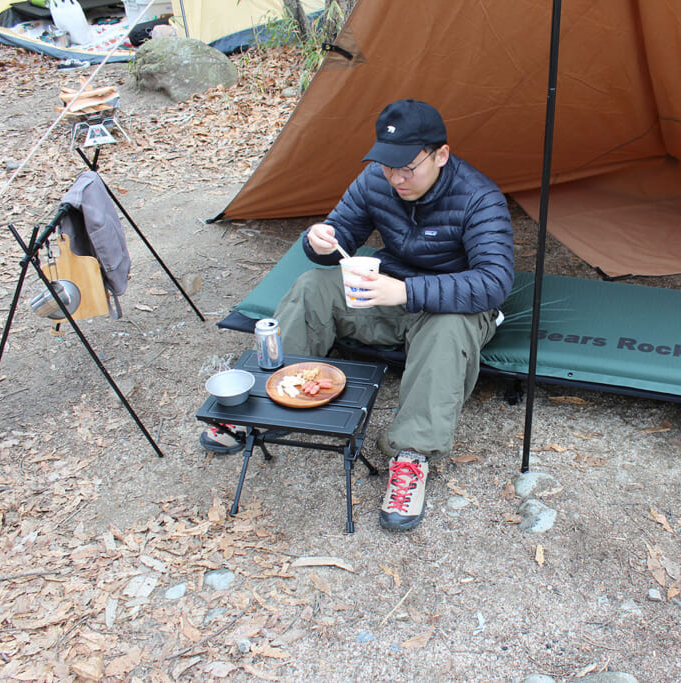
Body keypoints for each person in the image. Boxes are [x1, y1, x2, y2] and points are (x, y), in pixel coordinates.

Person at [201, 99, 515, 531]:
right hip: (388, 291)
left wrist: (405, 290)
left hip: (454, 307)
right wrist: (319, 240)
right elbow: (339, 233)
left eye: (408, 167)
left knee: (445, 331)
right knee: (313, 286)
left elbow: (494, 282)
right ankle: (262, 403)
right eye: (388, 166)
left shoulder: (480, 197)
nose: (396, 178)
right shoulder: (376, 179)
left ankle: (410, 456)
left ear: (441, 155)